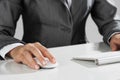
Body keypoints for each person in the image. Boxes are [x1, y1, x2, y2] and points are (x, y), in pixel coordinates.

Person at [0, 0, 120, 70]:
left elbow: (110, 19)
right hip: (36, 64)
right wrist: (15, 48)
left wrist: (116, 33)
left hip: (84, 64)